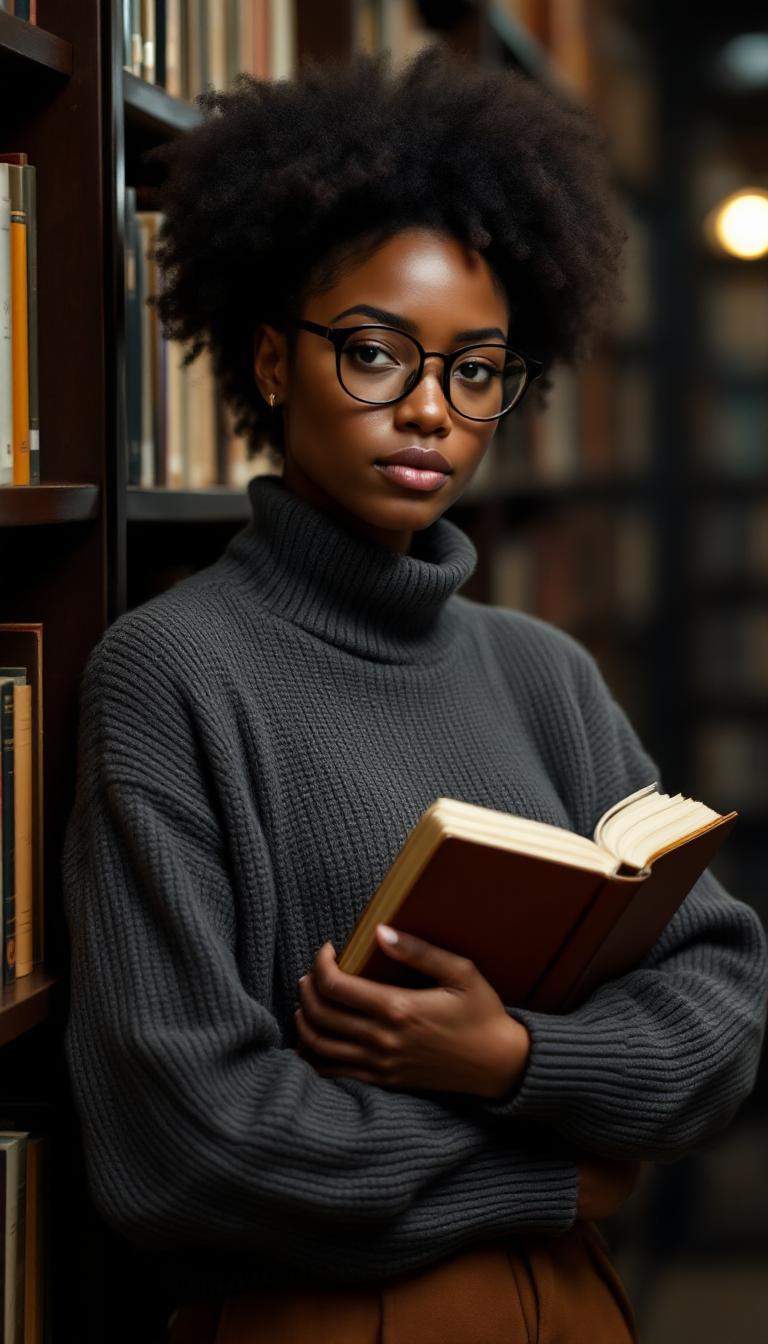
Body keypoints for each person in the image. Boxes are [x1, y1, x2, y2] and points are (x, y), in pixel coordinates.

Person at [61, 45, 768, 1344]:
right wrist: (553, 1166)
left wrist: (510, 1060)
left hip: (579, 1309)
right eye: (377, 355)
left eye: (477, 369)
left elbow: (722, 999)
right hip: (323, 1319)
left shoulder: (540, 668)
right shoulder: (171, 674)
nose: (432, 412)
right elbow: (184, 1140)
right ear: (271, 363)